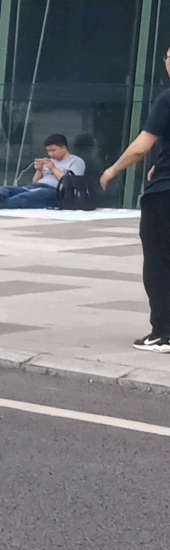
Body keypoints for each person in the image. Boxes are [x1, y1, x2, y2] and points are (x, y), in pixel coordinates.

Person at [97, 45, 170, 351]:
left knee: (158, 264)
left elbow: (142, 146)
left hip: (165, 196)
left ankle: (163, 332)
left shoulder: (167, 99)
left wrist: (113, 169)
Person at [0, 135, 83, 209]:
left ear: (63, 148)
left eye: (54, 150)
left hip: (55, 191)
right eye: (48, 151)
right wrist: (39, 171)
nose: (51, 154)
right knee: (5, 189)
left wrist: (53, 169)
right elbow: (35, 182)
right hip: (36, 187)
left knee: (23, 197)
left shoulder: (76, 161)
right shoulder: (51, 161)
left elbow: (71, 182)